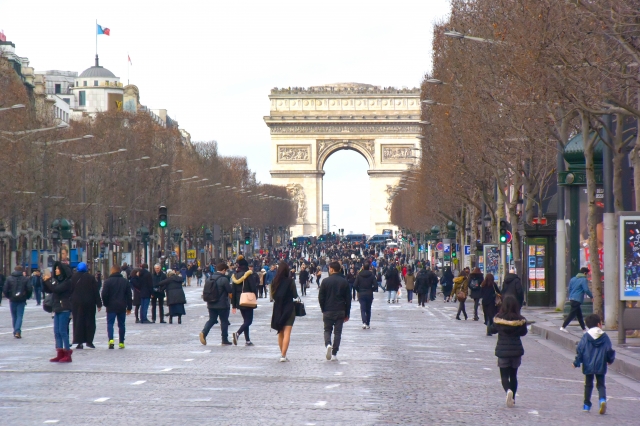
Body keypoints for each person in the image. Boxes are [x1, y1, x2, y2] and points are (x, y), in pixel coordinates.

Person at [489, 295, 528, 408]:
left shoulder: (499, 318)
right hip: (516, 350)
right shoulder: (520, 319)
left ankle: (508, 391)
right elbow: (523, 333)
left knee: (504, 376)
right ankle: (513, 399)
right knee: (514, 375)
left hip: (503, 350)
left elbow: (492, 329)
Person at [573, 314, 616, 414]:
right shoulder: (605, 337)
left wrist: (576, 362)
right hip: (601, 364)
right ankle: (602, 400)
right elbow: (609, 350)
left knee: (588, 385)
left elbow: (580, 350)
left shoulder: (586, 337)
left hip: (588, 364)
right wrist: (610, 360)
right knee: (601, 385)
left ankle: (586, 405)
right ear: (599, 324)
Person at [318, 261, 351, 361]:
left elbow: (321, 297)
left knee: (327, 330)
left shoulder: (325, 281)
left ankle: (328, 344)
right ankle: (334, 353)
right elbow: (348, 299)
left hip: (328, 309)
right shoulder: (344, 281)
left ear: (331, 269)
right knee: (338, 332)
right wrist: (347, 313)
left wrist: (323, 308)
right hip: (340, 310)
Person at [43, 262, 74, 362]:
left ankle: (67, 353)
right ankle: (60, 352)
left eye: (57, 269)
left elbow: (56, 290)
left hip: (64, 307)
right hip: (56, 307)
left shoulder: (67, 282)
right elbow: (50, 289)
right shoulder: (57, 281)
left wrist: (49, 280)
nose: (55, 271)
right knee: (57, 331)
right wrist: (45, 281)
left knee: (62, 331)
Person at [270, 262, 299, 361]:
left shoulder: (274, 281)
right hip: (289, 308)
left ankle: (282, 354)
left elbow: (272, 296)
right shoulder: (290, 281)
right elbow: (295, 295)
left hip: (278, 308)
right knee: (287, 333)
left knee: (280, 332)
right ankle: (283, 355)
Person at [200, 263, 233, 346]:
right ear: (224, 270)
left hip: (211, 303)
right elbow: (229, 291)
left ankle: (204, 333)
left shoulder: (209, 278)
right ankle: (224, 339)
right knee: (224, 321)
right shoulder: (224, 279)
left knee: (212, 319)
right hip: (222, 304)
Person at [70, 262, 102, 349]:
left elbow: (70, 291)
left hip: (76, 304)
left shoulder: (73, 277)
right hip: (89, 303)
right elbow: (96, 291)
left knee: (78, 322)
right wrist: (99, 303)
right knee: (90, 322)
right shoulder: (90, 278)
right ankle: (89, 341)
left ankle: (79, 341)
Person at [101, 265, 133, 349]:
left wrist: (106, 303)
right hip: (122, 306)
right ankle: (121, 342)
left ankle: (111, 340)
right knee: (121, 324)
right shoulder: (125, 282)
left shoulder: (107, 282)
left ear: (112, 271)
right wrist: (129, 307)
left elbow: (104, 294)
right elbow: (129, 295)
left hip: (111, 306)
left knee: (110, 323)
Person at [231, 256, 258, 346]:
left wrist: (234, 305)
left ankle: (247, 340)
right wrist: (255, 296)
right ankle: (237, 334)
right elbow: (253, 287)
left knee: (245, 320)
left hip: (240, 300)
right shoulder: (248, 275)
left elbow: (233, 291)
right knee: (249, 321)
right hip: (248, 299)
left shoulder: (235, 275)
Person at [3, 266, 32, 338]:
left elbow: (5, 289)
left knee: (14, 316)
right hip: (21, 299)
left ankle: (15, 330)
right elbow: (29, 289)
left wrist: (9, 296)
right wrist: (27, 296)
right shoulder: (25, 279)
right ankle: (17, 331)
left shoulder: (9, 278)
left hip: (12, 299)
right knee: (19, 315)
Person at [561, 267, 593, 333]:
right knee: (572, 314)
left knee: (579, 315)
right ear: (585, 273)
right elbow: (586, 289)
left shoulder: (573, 279)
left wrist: (571, 295)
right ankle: (563, 326)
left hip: (572, 298)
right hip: (578, 299)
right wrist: (591, 296)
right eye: (587, 274)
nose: (587, 275)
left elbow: (569, 289)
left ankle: (584, 329)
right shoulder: (583, 280)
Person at [354, 262, 376, 329]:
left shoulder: (359, 275)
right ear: (369, 268)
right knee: (368, 309)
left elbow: (355, 285)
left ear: (363, 267)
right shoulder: (372, 275)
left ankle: (364, 322)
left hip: (362, 293)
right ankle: (368, 323)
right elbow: (376, 285)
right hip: (369, 293)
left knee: (363, 309)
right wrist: (371, 289)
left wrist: (359, 290)